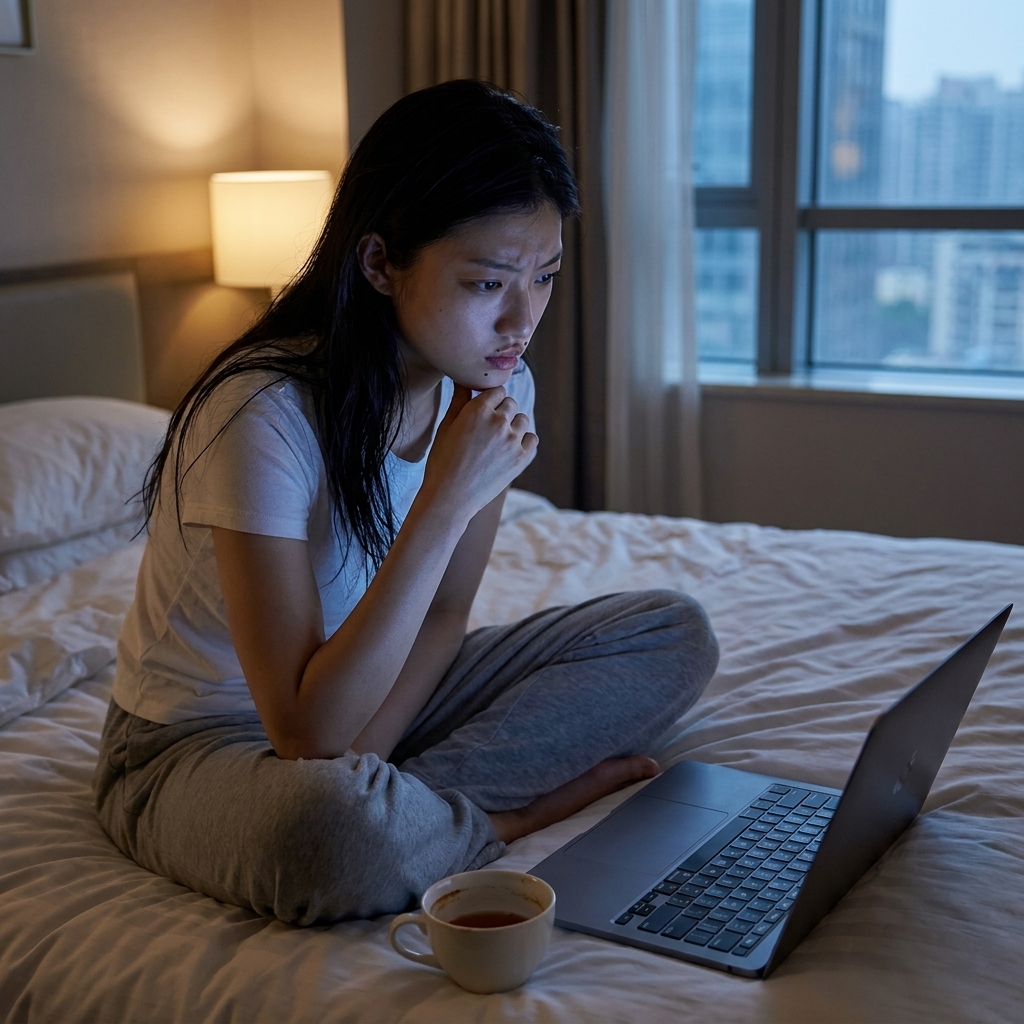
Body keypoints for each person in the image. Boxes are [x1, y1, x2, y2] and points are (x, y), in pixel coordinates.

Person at [93, 80, 719, 925]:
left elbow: (444, 616)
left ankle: (407, 813)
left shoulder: (499, 389)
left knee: (672, 633)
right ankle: (493, 822)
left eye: (545, 276)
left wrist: (368, 762)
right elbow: (303, 740)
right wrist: (444, 498)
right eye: (487, 282)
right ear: (381, 262)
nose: (522, 319)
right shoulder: (261, 413)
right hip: (195, 745)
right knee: (326, 826)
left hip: (368, 699)